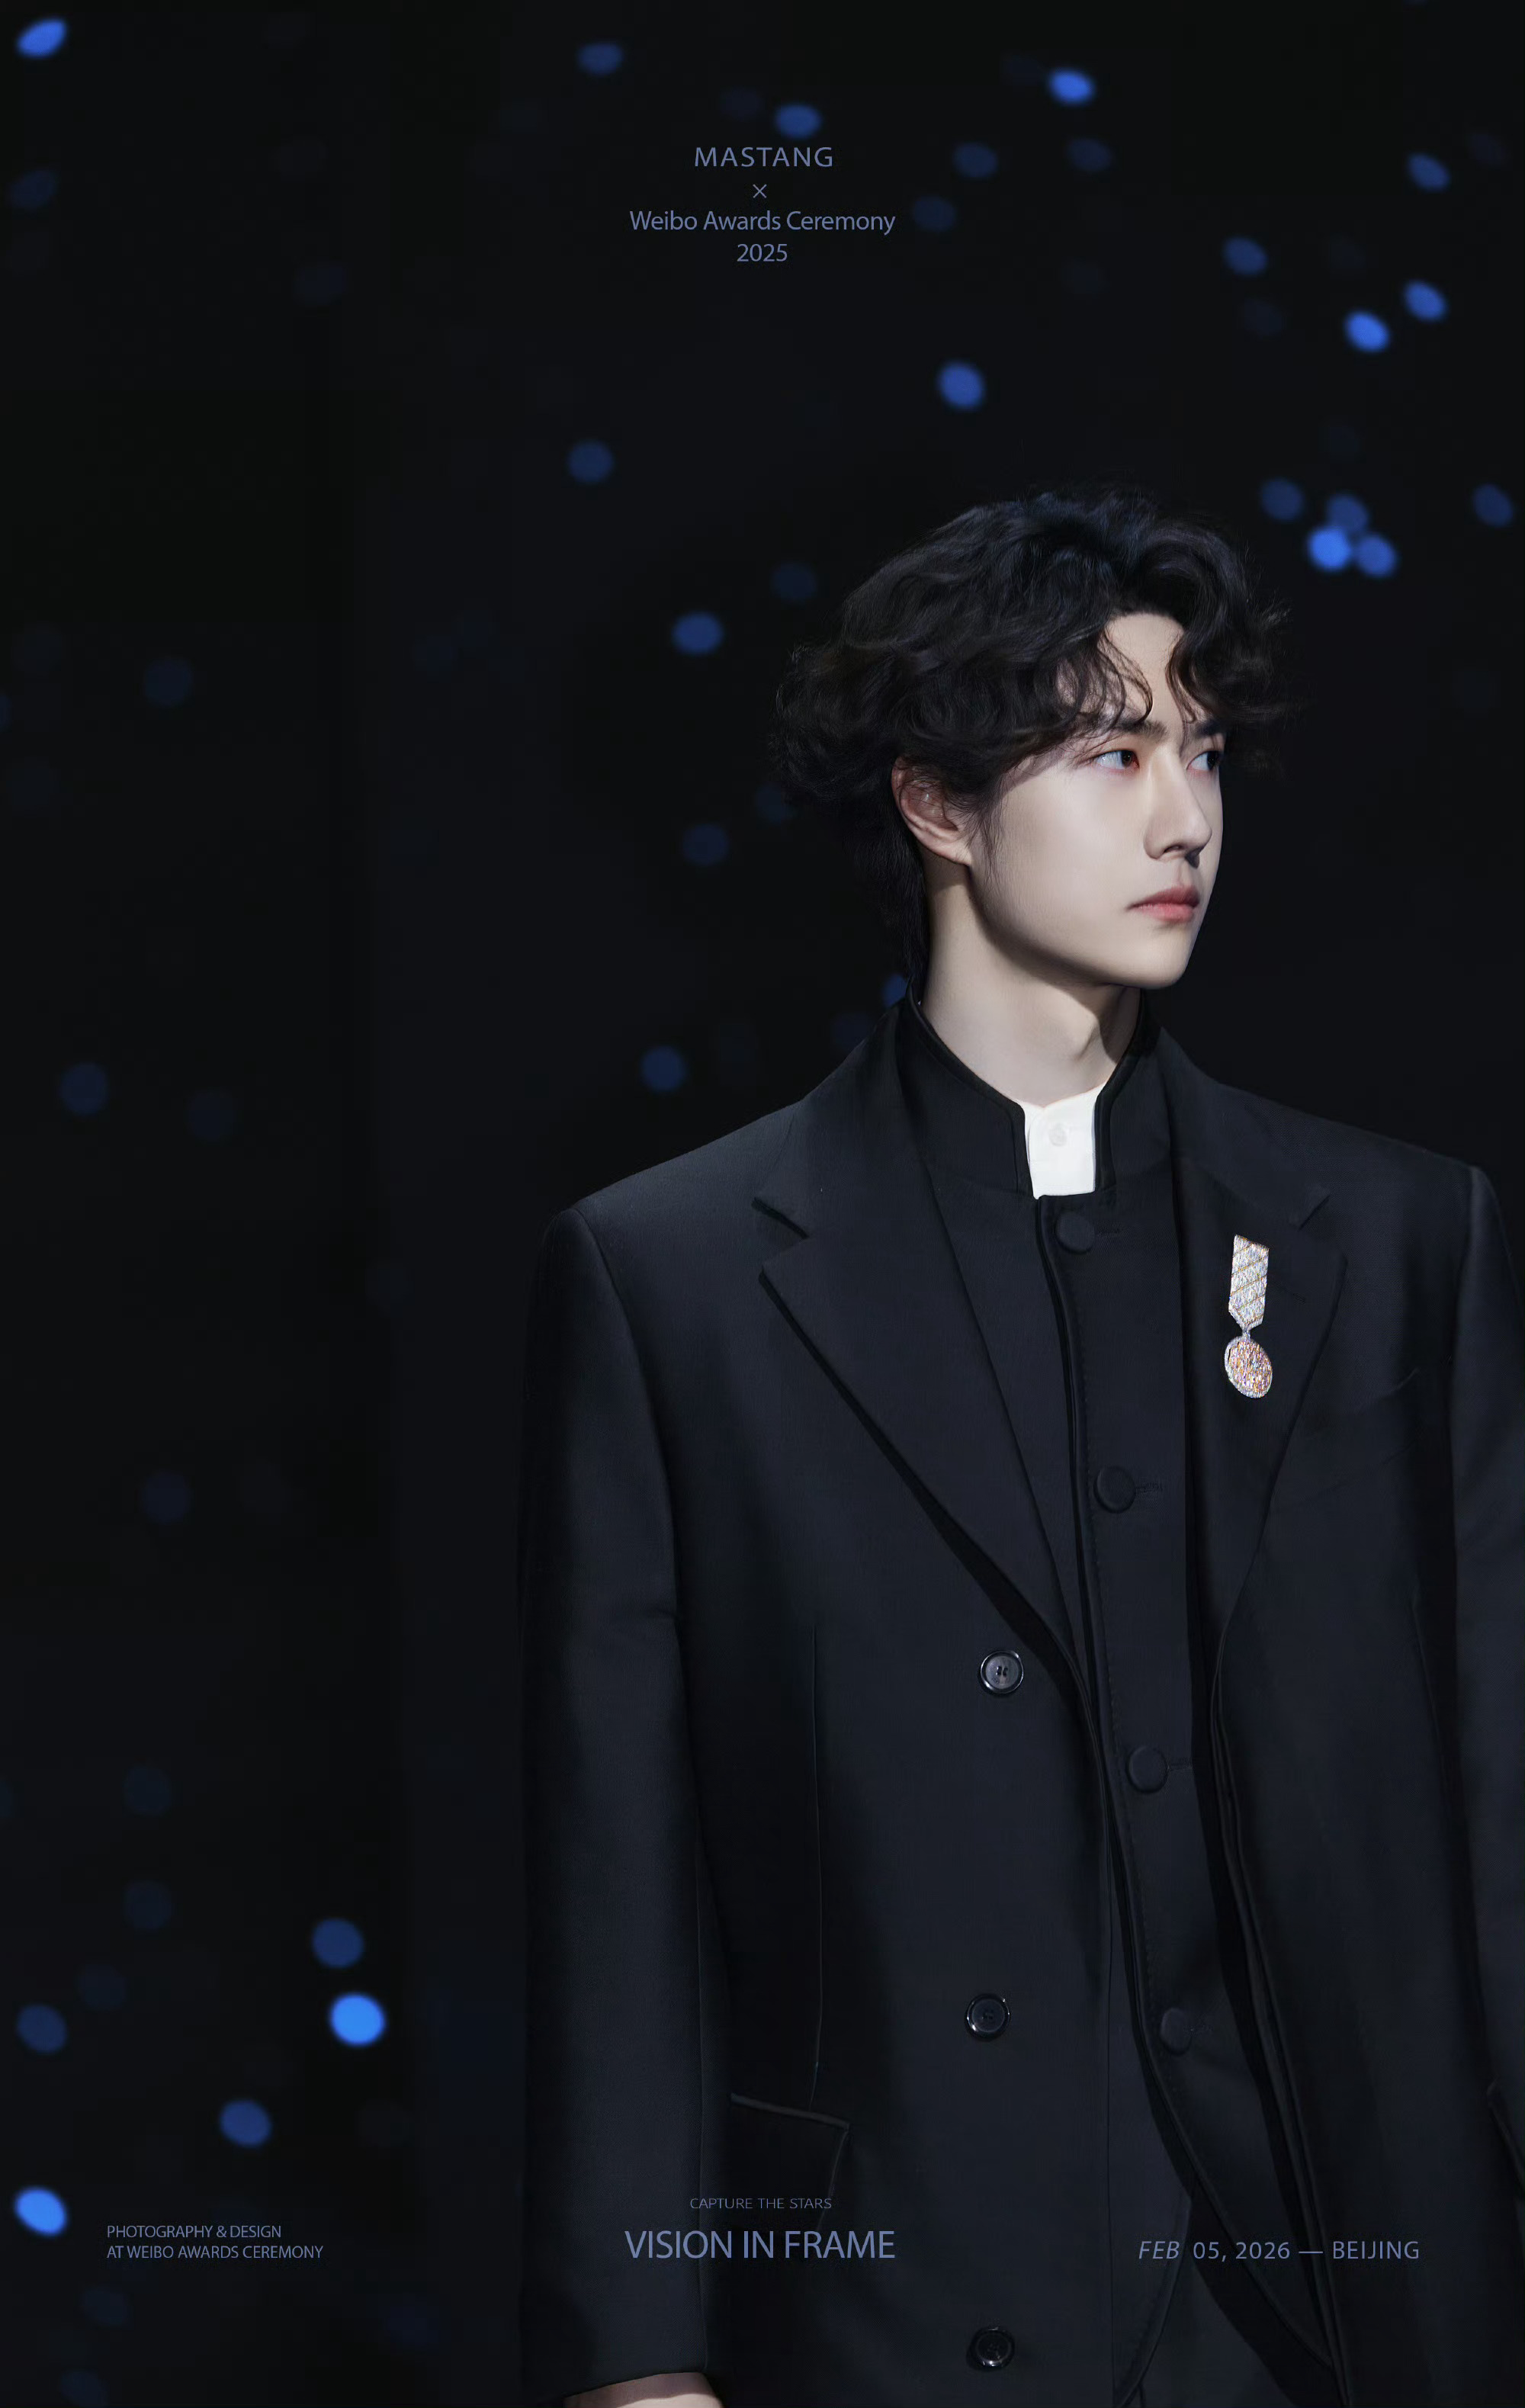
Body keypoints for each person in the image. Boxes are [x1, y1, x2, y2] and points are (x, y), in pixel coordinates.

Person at [515, 487, 1523, 2408]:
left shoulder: (1398, 1242)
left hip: (1340, 2304)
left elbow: (1500, 1792)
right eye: (1110, 753)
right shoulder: (677, 1281)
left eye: (1201, 752)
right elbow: (621, 1873)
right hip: (901, 2305)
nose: (1185, 818)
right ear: (936, 806)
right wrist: (634, 2358)